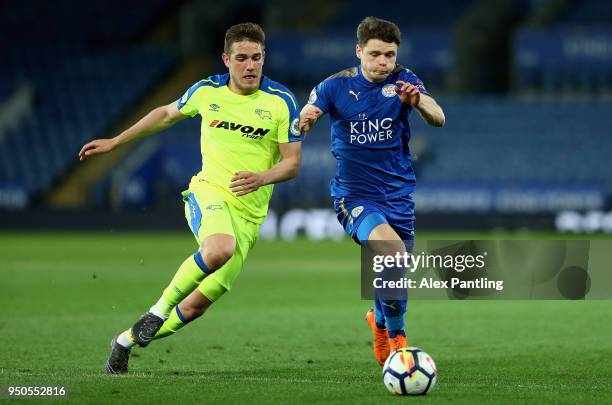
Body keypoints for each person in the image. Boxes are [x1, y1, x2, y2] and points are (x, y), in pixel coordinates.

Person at [79, 22, 302, 374]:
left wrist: (261, 177)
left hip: (249, 215)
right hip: (208, 192)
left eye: (256, 58)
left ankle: (124, 341)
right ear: (226, 59)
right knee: (217, 249)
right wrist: (115, 142)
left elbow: (291, 164)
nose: (250, 66)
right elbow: (166, 114)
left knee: (197, 305)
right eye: (241, 58)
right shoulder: (206, 91)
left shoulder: (281, 102)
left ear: (264, 58)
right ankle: (156, 311)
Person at [299, 16, 445, 366]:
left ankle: (378, 322)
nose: (383, 62)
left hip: (398, 196)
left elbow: (438, 117)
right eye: (376, 54)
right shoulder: (334, 86)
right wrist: (307, 117)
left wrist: (418, 101)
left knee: (392, 269)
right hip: (354, 197)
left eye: (390, 55)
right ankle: (397, 340)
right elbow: (311, 108)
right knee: (392, 254)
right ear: (359, 51)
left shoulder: (404, 80)